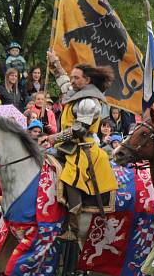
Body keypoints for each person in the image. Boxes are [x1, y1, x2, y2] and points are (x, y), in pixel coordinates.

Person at [45, 53, 118, 243]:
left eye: (76, 78)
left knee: (70, 177)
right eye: (72, 77)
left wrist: (54, 137)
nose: (72, 80)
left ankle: (73, 227)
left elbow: (79, 129)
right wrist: (56, 63)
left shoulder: (89, 101)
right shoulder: (78, 93)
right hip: (68, 147)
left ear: (87, 80)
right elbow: (64, 84)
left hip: (84, 149)